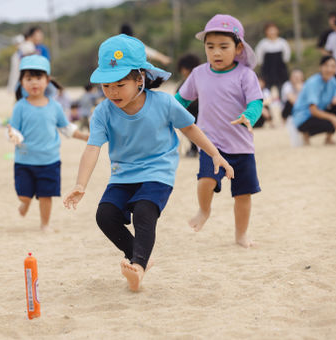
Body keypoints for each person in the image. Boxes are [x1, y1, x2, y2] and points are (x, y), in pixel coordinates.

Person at [63, 34, 234, 292]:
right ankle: (139, 255)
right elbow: (92, 149)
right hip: (123, 175)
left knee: (144, 211)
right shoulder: (103, 112)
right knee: (105, 215)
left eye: (120, 84)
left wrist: (215, 154)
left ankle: (138, 268)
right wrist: (80, 184)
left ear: (139, 79)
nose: (112, 92)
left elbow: (190, 129)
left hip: (158, 171)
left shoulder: (164, 103)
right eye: (106, 86)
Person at [176, 14, 263, 248]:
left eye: (223, 47)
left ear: (238, 48)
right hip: (210, 143)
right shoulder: (198, 74)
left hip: (241, 146)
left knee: (243, 195)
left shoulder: (245, 75)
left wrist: (249, 116)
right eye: (210, 46)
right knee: (205, 179)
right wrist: (165, 113)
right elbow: (180, 100)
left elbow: (256, 102)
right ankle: (204, 210)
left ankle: (241, 235)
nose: (216, 52)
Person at [7, 55, 89, 232]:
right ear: (21, 82)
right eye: (29, 78)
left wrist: (84, 137)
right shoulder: (20, 106)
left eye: (38, 78)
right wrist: (13, 136)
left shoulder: (55, 106)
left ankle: (45, 224)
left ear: (47, 80)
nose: (34, 82)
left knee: (46, 196)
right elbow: (14, 130)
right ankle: (25, 204)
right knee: (24, 195)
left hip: (49, 161)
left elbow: (66, 128)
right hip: (24, 161)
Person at [292, 56, 336, 145]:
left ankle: (328, 139)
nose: (329, 69)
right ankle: (306, 133)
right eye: (326, 66)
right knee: (331, 123)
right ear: (320, 67)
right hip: (304, 117)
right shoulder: (313, 82)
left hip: (318, 112)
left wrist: (335, 100)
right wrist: (333, 117)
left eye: (333, 66)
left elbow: (335, 98)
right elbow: (313, 110)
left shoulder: (333, 82)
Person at [177, 54, 201, 157]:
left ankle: (195, 148)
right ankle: (194, 147)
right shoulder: (182, 83)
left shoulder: (200, 80)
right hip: (188, 114)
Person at [255, 22, 291, 91]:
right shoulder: (262, 44)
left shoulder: (283, 42)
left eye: (273, 30)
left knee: (282, 87)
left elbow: (286, 57)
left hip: (280, 70)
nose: (272, 32)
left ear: (277, 31)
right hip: (267, 70)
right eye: (269, 30)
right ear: (266, 32)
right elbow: (259, 59)